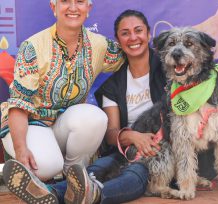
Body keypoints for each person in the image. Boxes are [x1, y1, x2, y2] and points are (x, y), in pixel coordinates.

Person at [2, 0, 125, 203]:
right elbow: (19, 104)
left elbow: (130, 54)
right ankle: (40, 172)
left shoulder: (99, 45)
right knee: (45, 166)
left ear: (89, 8)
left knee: (95, 117)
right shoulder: (33, 46)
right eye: (65, 1)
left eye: (80, 2)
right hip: (30, 123)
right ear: (54, 7)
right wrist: (21, 148)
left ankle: (74, 178)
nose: (73, 7)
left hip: (64, 124)